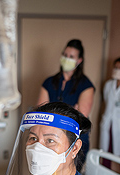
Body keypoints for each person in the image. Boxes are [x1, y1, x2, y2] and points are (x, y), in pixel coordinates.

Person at [37, 39, 95, 168]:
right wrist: (70, 111)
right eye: (65, 55)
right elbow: (41, 113)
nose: (66, 59)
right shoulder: (49, 82)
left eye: (71, 57)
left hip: (74, 143)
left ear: (79, 60)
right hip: (49, 140)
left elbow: (80, 119)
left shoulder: (86, 86)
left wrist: (53, 113)